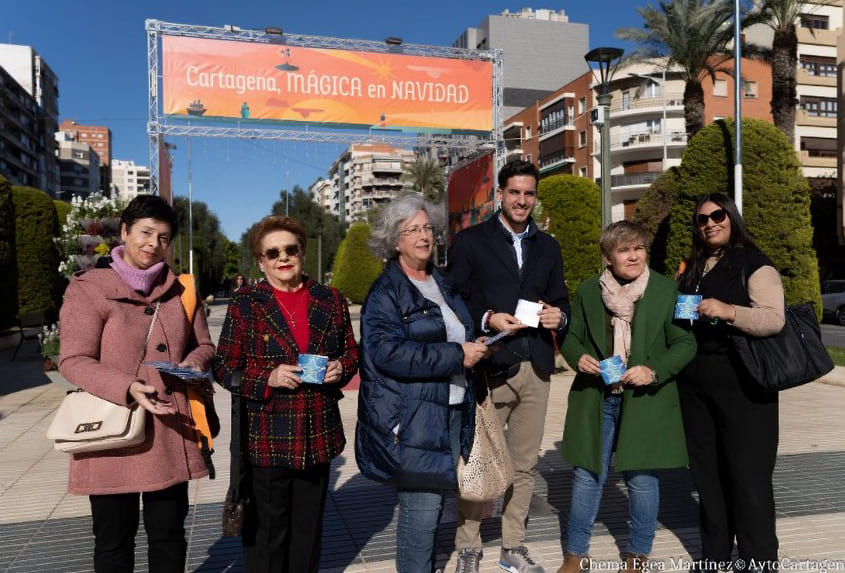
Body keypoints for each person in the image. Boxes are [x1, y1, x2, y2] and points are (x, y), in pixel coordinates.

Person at [58, 195, 216, 572]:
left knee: (169, 535)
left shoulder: (181, 290)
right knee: (114, 540)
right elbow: (73, 360)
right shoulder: (90, 287)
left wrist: (190, 365)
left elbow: (205, 346)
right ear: (125, 232)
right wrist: (126, 386)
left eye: (163, 237)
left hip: (168, 426)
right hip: (112, 430)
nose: (153, 244)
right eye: (145, 233)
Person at [213, 215, 359, 573]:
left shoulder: (331, 299)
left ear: (303, 253)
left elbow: (353, 353)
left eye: (290, 249)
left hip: (317, 434)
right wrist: (268, 378)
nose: (283, 257)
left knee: (308, 535)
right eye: (273, 252)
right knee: (267, 536)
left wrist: (342, 367)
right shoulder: (246, 302)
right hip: (267, 437)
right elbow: (223, 368)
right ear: (261, 261)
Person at [355, 194, 490, 573]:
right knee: (422, 512)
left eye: (427, 228)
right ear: (394, 241)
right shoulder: (385, 293)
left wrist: (475, 346)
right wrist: (455, 355)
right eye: (412, 229)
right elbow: (387, 353)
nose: (423, 236)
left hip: (450, 407)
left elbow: (454, 331)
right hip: (413, 416)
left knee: (434, 509)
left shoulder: (441, 283)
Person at [447, 159, 570, 573]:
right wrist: (487, 318)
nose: (522, 200)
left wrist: (559, 317)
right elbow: (455, 299)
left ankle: (513, 545)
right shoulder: (469, 243)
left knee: (525, 464)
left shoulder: (548, 246)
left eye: (529, 194)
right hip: (489, 365)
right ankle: (468, 546)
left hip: (535, 366)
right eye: (514, 192)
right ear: (500, 194)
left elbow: (561, 300)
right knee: (477, 458)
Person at [556, 221, 697, 573]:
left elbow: (686, 342)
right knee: (588, 474)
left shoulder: (668, 290)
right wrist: (578, 357)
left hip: (645, 399)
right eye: (624, 250)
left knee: (641, 478)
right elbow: (572, 337)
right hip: (597, 396)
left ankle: (637, 555)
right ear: (607, 257)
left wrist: (653, 370)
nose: (633, 256)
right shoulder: (589, 291)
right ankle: (576, 553)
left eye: (638, 248)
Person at [677, 194, 784, 572]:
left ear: (731, 217)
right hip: (695, 385)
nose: (709, 223)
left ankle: (760, 563)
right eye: (702, 219)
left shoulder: (755, 263)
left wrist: (729, 311)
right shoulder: (693, 267)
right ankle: (715, 559)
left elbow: (774, 318)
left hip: (744, 385)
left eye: (717, 215)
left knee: (748, 481)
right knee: (708, 479)